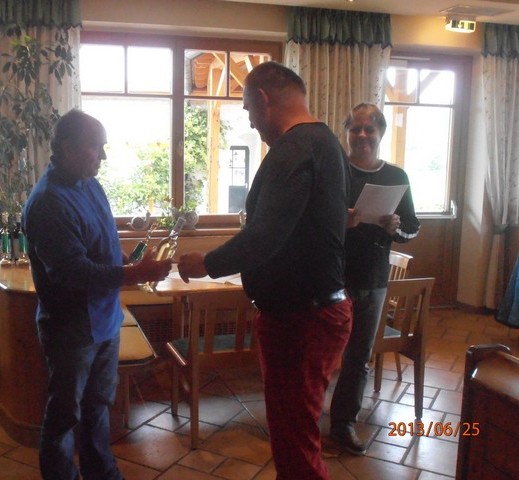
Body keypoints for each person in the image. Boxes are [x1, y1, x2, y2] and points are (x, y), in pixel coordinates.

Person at [178, 61, 353, 480]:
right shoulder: (326, 142)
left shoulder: (294, 148)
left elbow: (264, 236)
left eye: (247, 109)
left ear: (263, 99)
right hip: (314, 312)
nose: (251, 121)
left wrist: (207, 264)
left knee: (295, 446)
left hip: (302, 321)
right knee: (294, 436)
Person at [22, 109, 172, 480]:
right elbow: (74, 273)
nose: (103, 156)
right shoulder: (49, 202)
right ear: (68, 147)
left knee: (98, 407)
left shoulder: (90, 184)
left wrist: (127, 260)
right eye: (96, 147)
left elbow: (101, 243)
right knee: (64, 416)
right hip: (72, 330)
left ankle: (102, 473)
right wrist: (135, 274)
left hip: (105, 321)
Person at [329, 103, 420, 455]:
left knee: (359, 357)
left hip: (374, 278)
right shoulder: (333, 170)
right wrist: (342, 220)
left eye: (369, 129)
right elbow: (313, 223)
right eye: (356, 129)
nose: (362, 135)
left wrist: (396, 227)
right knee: (320, 353)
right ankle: (305, 418)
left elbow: (412, 228)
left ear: (380, 133)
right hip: (331, 278)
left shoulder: (397, 175)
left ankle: (343, 423)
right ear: (346, 132)